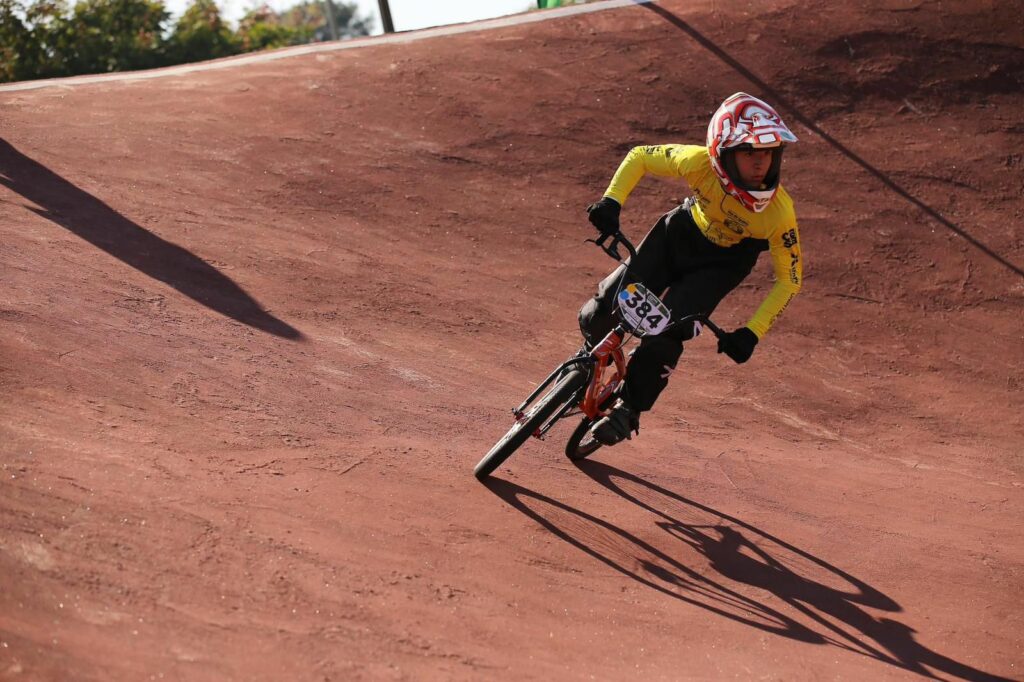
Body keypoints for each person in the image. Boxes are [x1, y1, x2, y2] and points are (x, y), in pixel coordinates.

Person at [579, 92, 802, 446]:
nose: (761, 162)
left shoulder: (779, 213)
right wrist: (612, 200)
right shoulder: (698, 162)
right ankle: (590, 361)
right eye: (748, 152)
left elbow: (790, 280)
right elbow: (641, 156)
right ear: (722, 154)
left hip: (721, 266)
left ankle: (629, 408)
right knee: (604, 308)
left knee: (667, 332)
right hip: (679, 235)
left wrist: (752, 332)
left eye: (769, 152)